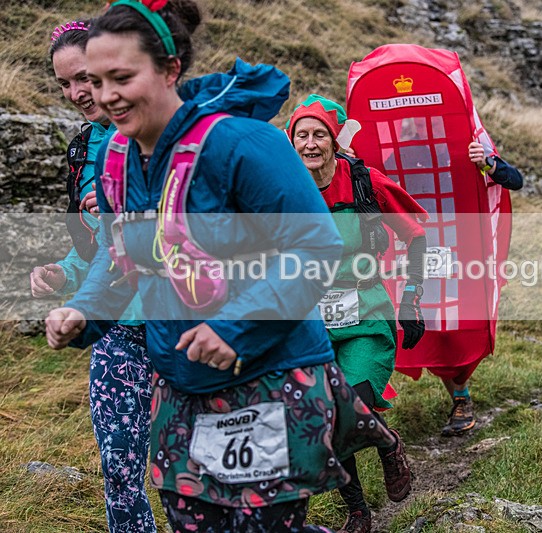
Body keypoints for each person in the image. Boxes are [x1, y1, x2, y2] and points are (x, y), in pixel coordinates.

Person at [44, 1, 393, 531]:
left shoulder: (244, 145)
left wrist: (235, 326)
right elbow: (121, 256)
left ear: (170, 69)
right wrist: (83, 310)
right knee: (193, 523)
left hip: (269, 374)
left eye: (122, 77)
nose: (105, 94)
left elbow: (314, 246)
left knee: (264, 526)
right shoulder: (115, 158)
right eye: (95, 80)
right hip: (180, 380)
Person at [29, 19, 156, 532]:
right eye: (64, 83)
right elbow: (99, 243)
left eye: (83, 76)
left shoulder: (161, 133)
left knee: (191, 473)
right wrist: (64, 273)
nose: (77, 93)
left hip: (183, 324)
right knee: (120, 469)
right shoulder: (83, 150)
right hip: (116, 328)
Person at [288, 95, 427, 533]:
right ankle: (358, 511)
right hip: (310, 326)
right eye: (301, 135)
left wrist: (412, 298)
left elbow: (417, 235)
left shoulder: (364, 182)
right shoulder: (283, 188)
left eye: (319, 135)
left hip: (366, 314)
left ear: (335, 141)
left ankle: (387, 443)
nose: (310, 144)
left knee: (350, 406)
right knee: (324, 415)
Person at [438, 142, 523, 436]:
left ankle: (461, 397)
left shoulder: (471, 143)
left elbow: (515, 180)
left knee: (460, 329)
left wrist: (488, 163)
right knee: (436, 330)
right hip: (428, 250)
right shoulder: (406, 146)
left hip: (467, 251)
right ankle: (459, 398)